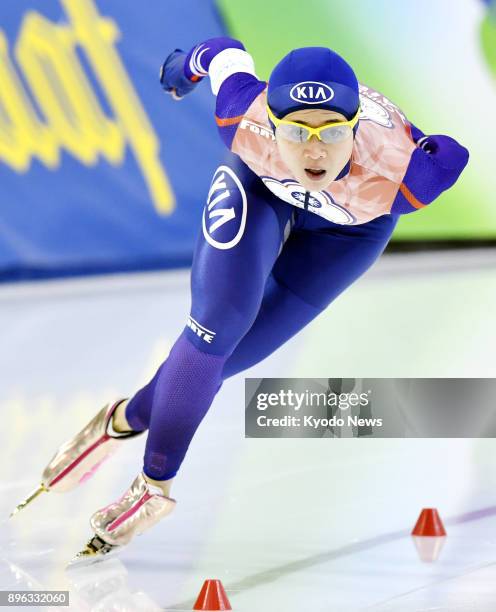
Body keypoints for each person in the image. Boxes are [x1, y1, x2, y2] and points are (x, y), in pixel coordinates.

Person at [11, 37, 469, 565]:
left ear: (355, 126)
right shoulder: (241, 115)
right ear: (271, 123)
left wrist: (429, 144)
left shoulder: (407, 173)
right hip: (261, 188)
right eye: (297, 131)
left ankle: (121, 420)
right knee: (215, 326)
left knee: (228, 359)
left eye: (331, 132)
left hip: (347, 233)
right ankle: (152, 487)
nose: (314, 151)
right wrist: (181, 69)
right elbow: (221, 52)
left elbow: (453, 153)